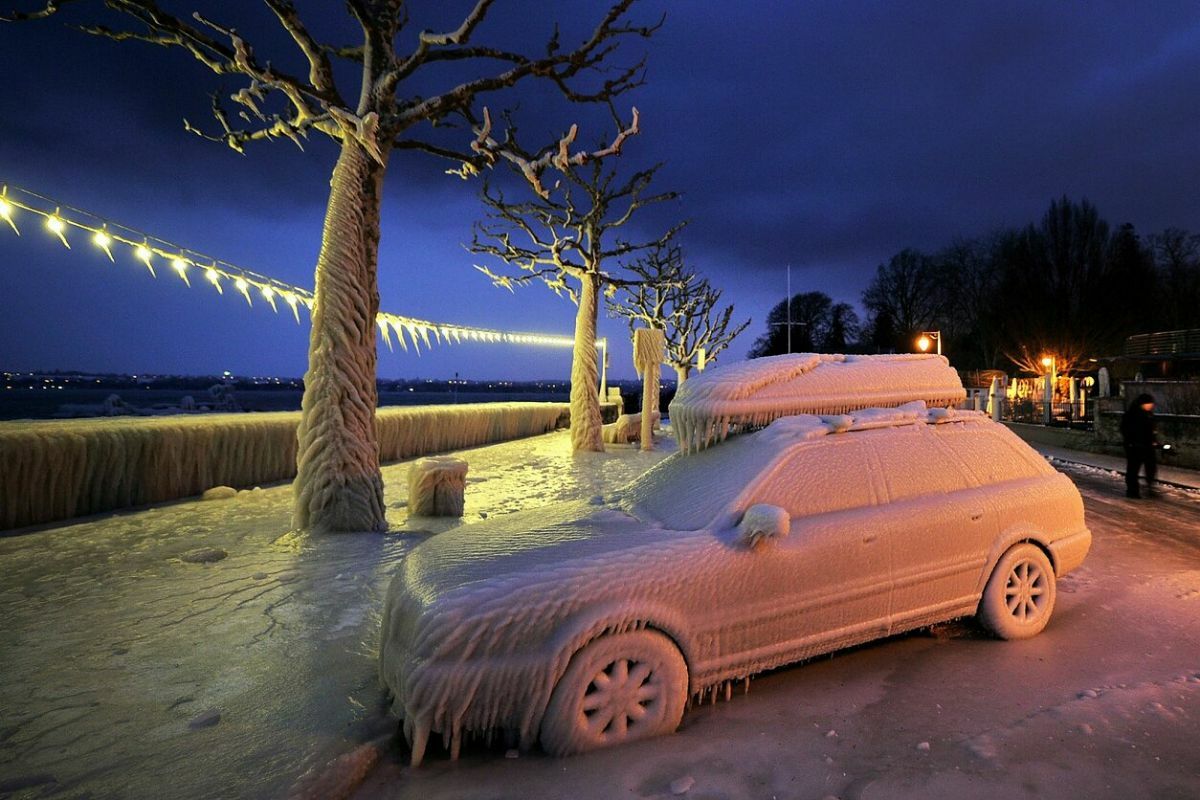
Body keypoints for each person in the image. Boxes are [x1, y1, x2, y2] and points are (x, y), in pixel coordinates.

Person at [1120, 393, 1157, 498]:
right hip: (1135, 447)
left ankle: (1150, 487)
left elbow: (1152, 431)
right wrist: (1132, 442)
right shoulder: (1132, 414)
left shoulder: (1149, 415)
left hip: (1148, 446)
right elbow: (1126, 429)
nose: (1150, 406)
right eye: (1148, 404)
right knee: (1133, 469)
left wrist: (1154, 441)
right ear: (1142, 404)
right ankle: (1132, 491)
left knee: (1151, 467)